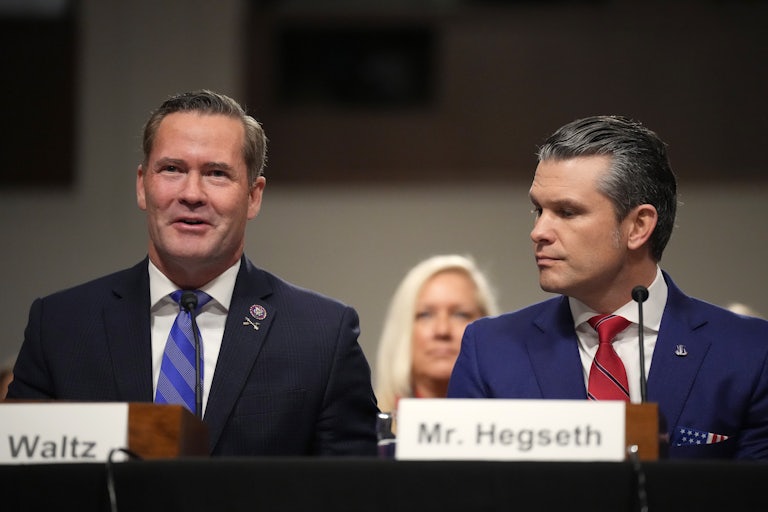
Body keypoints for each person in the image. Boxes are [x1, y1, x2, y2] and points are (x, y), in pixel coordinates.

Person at [7, 89, 378, 456]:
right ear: (142, 185)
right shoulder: (59, 327)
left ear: (253, 196)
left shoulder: (322, 335)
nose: (192, 194)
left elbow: (351, 493)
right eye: (172, 169)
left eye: (216, 173)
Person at [447, 115, 768, 460]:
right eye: (538, 210)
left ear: (638, 227)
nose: (539, 231)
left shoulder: (750, 352)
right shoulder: (490, 351)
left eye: (567, 212)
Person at [375, 255, 499, 415]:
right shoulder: (363, 429)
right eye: (425, 315)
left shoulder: (514, 424)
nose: (442, 331)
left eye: (460, 314)